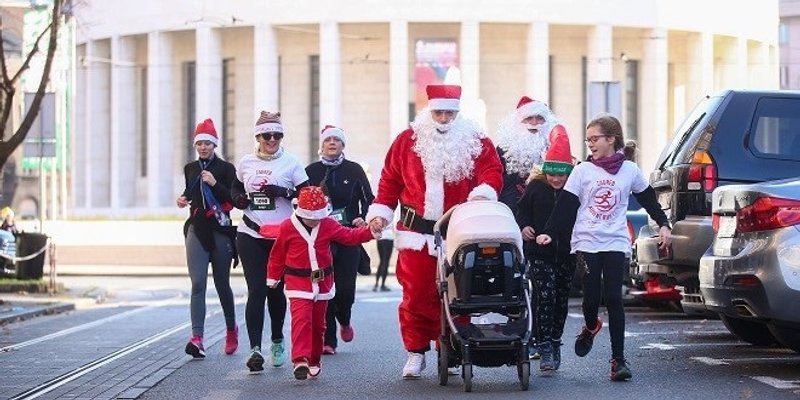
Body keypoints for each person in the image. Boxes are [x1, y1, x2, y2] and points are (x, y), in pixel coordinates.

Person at [366, 84, 503, 379]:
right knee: (416, 294)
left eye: (449, 114)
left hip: (458, 232)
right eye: (438, 112)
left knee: (459, 294)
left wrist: (483, 192)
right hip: (416, 233)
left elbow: (492, 171)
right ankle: (416, 352)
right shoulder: (407, 141)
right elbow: (389, 181)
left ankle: (452, 349)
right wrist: (380, 213)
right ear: (429, 110)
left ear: (458, 113)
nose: (443, 119)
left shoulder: (476, 140)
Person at [536, 114, 672, 381]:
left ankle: (618, 361)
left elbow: (649, 200)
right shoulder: (582, 171)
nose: (590, 144)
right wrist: (549, 232)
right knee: (591, 299)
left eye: (594, 139)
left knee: (613, 298)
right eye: (588, 140)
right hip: (587, 239)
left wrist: (664, 224)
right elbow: (565, 205)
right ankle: (590, 326)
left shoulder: (630, 170)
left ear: (611, 139)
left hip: (615, 240)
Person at [265, 186, 379, 380]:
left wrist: (370, 232)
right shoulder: (287, 227)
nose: (315, 220)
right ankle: (300, 359)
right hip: (297, 282)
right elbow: (277, 255)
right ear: (301, 213)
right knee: (301, 320)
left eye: (318, 216)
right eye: (311, 217)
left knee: (319, 326)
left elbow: (349, 236)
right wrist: (273, 277)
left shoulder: (327, 224)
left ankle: (314, 360)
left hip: (323, 282)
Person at [231, 111, 310, 373]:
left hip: (281, 237)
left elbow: (308, 195)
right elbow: (235, 189)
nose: (272, 140)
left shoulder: (292, 163)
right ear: (258, 138)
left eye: (277, 135)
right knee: (257, 289)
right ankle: (255, 349)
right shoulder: (246, 162)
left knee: (275, 290)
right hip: (251, 232)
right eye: (267, 135)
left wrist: (284, 192)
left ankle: (277, 339)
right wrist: (238, 199)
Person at [305, 125, 375, 355]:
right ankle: (329, 340)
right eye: (328, 140)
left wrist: (363, 217)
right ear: (322, 145)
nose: (332, 143)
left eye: (337, 140)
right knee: (324, 288)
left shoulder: (354, 170)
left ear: (343, 145)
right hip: (321, 237)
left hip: (348, 235)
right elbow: (301, 202)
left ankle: (344, 319)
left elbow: (369, 199)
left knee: (345, 290)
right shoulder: (311, 171)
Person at [514, 125, 576, 371]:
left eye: (561, 175)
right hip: (539, 253)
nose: (556, 179)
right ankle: (544, 345)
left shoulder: (574, 189)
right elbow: (521, 210)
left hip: (567, 253)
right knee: (546, 296)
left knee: (561, 299)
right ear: (545, 171)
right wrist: (525, 226)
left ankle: (555, 340)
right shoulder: (536, 187)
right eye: (551, 174)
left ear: (569, 173)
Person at [176, 118, 238, 359]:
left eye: (207, 143)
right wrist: (183, 199)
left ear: (215, 145)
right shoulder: (190, 168)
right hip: (197, 227)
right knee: (198, 283)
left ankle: (231, 329)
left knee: (222, 283)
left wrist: (214, 183)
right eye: (199, 143)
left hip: (220, 228)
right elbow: (191, 191)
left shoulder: (226, 168)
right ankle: (197, 338)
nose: (203, 147)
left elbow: (234, 199)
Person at [495, 96, 555, 211]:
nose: (534, 123)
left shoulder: (554, 148)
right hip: (510, 210)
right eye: (528, 118)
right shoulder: (503, 149)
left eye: (539, 118)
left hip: (543, 210)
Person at [373, 223, 394, 292]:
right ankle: (382, 285)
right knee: (385, 262)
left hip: (380, 239)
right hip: (388, 238)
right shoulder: (392, 216)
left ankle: (376, 284)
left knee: (382, 261)